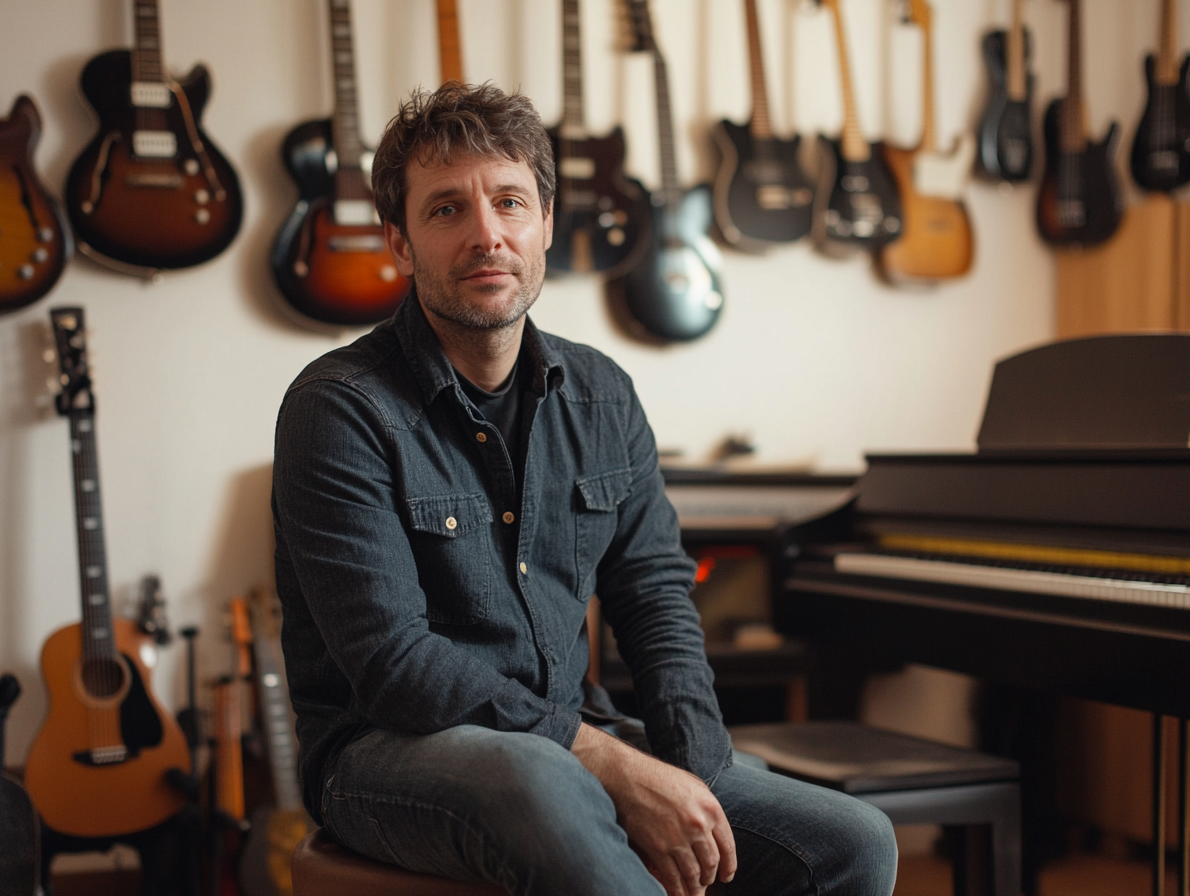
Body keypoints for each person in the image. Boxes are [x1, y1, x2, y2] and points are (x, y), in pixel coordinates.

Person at [271, 82, 897, 896]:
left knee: (855, 840)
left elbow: (655, 594)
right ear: (400, 240)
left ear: (545, 224)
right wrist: (604, 759)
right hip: (385, 750)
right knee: (544, 783)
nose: (487, 235)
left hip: (569, 734)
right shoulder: (337, 409)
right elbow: (396, 666)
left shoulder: (603, 394)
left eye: (508, 202)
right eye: (446, 210)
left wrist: (694, 769)